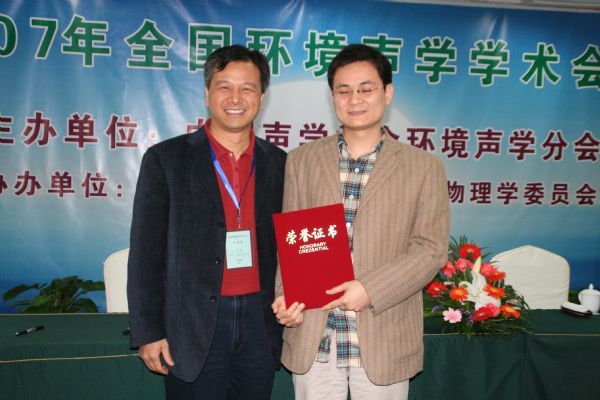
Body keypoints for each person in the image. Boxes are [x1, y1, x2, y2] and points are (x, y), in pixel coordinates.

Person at [272, 44, 450, 399]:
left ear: (387, 92)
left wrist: (371, 289)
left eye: (366, 89)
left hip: (385, 335)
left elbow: (430, 249)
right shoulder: (301, 160)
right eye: (344, 90)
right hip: (315, 334)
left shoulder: (423, 166)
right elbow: (290, 240)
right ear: (333, 97)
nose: (355, 100)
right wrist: (285, 296)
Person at [127, 45, 286, 400]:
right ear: (207, 93)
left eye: (247, 88)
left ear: (261, 96)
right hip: (192, 322)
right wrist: (148, 331)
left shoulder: (280, 163)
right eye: (224, 86)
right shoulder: (167, 159)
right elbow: (145, 254)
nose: (235, 98)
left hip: (260, 322)